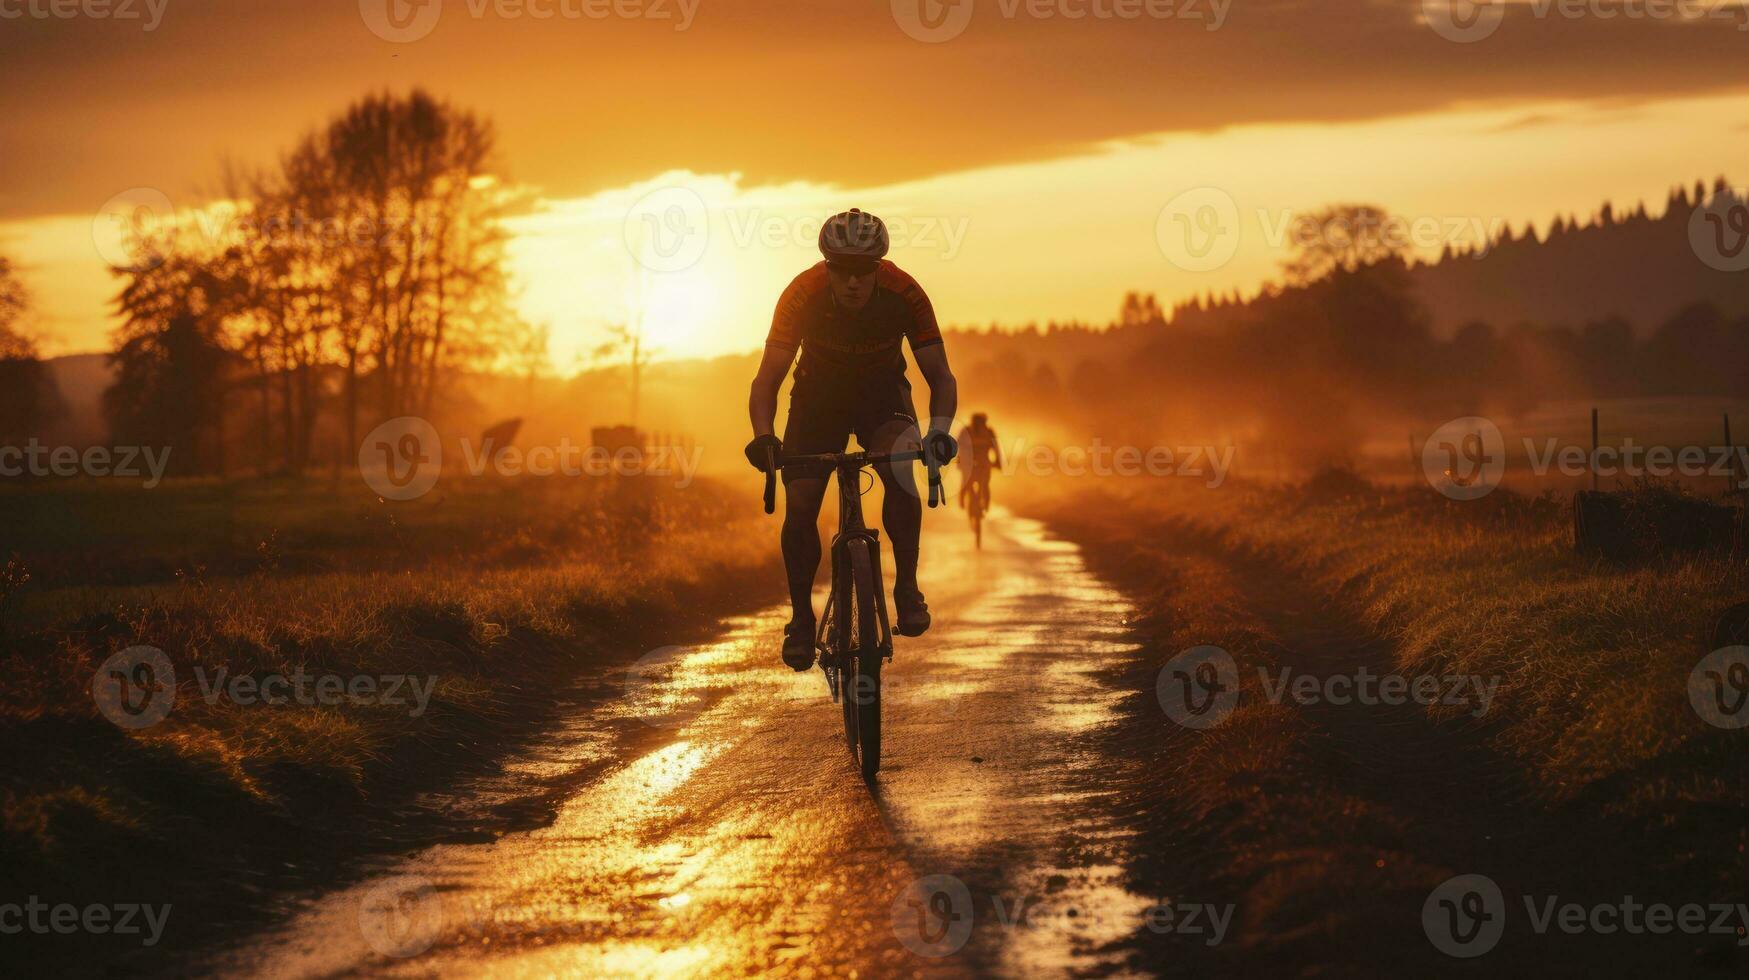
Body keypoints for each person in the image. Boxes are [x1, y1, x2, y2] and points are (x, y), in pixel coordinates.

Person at [745, 209, 959, 671]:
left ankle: (906, 587)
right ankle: (801, 619)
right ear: (827, 267)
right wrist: (763, 437)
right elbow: (766, 381)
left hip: (882, 397)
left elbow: (940, 376)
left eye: (865, 271)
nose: (854, 282)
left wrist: (939, 430)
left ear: (881, 267)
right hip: (817, 400)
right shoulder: (802, 294)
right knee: (801, 502)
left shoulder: (906, 293)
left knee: (900, 468)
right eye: (843, 271)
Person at [956, 413, 1001, 513]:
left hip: (979, 462)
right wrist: (998, 462)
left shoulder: (986, 432)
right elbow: (958, 446)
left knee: (982, 483)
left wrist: (998, 461)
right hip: (973, 461)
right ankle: (963, 498)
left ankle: (974, 500)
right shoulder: (970, 431)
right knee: (969, 482)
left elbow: (996, 448)